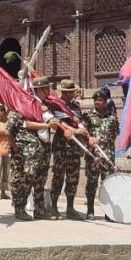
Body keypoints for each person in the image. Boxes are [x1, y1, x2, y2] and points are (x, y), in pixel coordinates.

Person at [8, 75, 58, 221]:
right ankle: (20, 209)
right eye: (47, 88)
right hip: (28, 151)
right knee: (26, 180)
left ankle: (39, 210)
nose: (49, 90)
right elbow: (16, 127)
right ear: (40, 89)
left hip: (42, 148)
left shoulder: (45, 107)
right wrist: (15, 147)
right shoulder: (25, 104)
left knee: (40, 180)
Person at [48, 79, 86, 220]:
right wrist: (75, 131)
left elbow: (79, 120)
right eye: (68, 93)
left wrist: (82, 128)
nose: (71, 95)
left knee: (73, 177)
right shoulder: (56, 105)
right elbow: (59, 123)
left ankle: (70, 207)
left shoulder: (76, 106)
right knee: (58, 176)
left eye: (72, 92)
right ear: (63, 92)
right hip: (61, 146)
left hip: (74, 148)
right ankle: (54, 207)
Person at [82, 90, 118, 221]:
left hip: (108, 156)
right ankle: (90, 210)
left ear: (105, 101)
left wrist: (108, 148)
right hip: (93, 156)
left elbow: (114, 135)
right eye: (96, 100)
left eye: (100, 100)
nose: (98, 102)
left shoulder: (111, 117)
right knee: (91, 183)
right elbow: (83, 134)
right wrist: (90, 144)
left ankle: (108, 212)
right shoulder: (88, 116)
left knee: (108, 184)